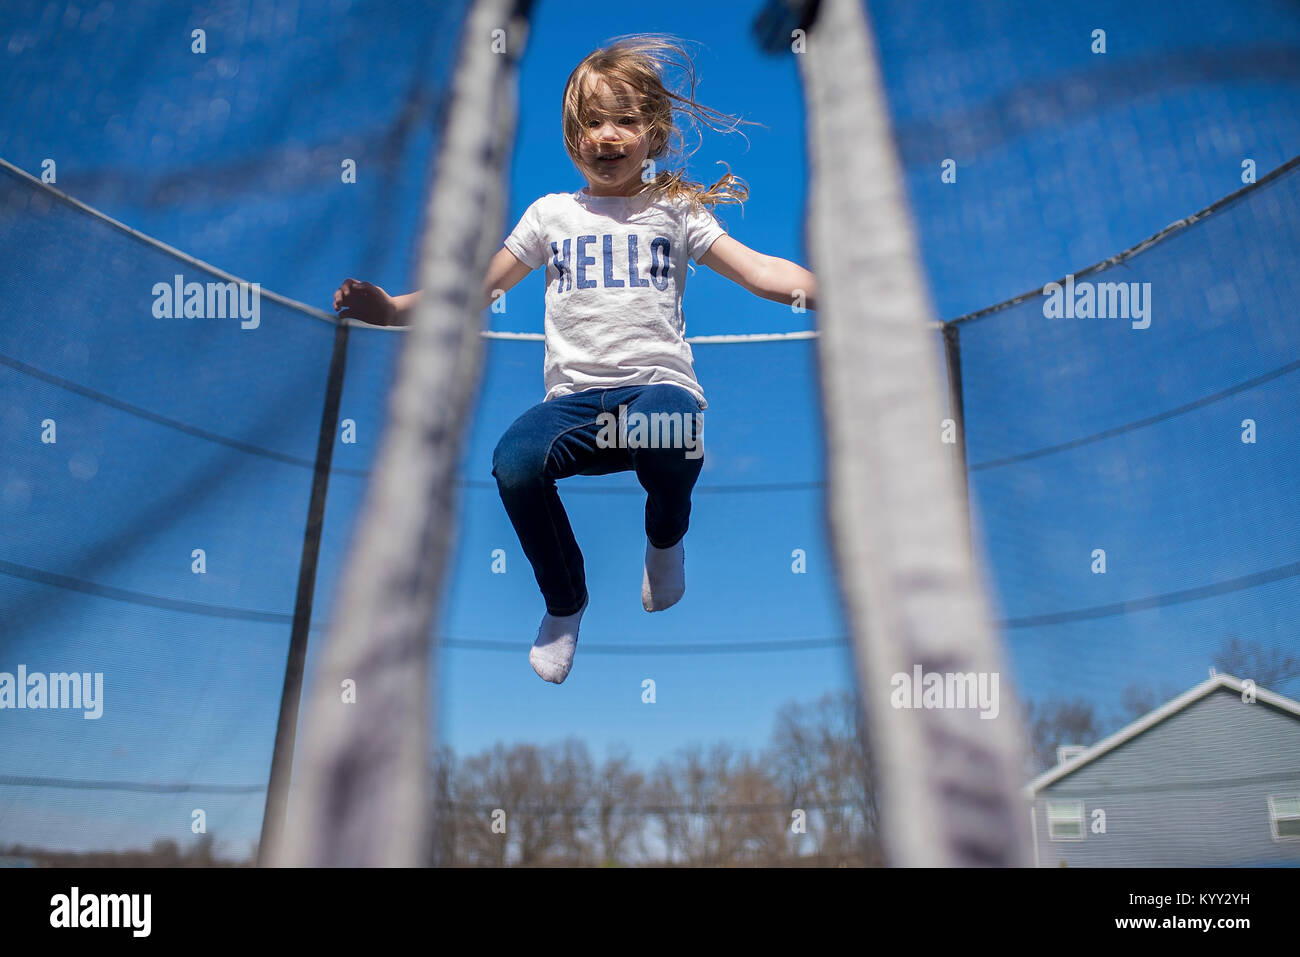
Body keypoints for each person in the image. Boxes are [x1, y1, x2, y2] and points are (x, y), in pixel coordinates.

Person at [333, 34, 817, 684]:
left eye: (624, 120)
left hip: (655, 391)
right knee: (515, 463)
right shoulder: (551, 215)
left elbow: (758, 270)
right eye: (591, 122)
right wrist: (394, 310)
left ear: (656, 132)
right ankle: (564, 602)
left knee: (678, 424)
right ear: (571, 137)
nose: (607, 135)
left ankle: (665, 539)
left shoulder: (674, 209)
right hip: (575, 408)